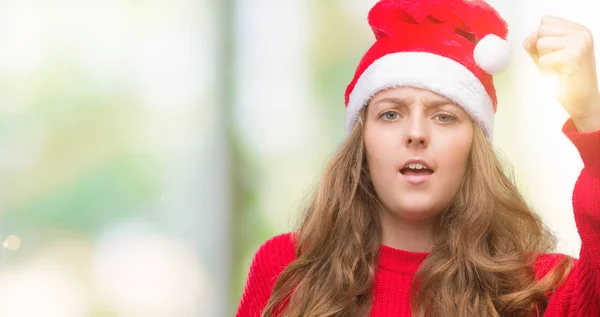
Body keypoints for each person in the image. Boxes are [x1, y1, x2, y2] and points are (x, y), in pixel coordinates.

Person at [235, 0, 600, 316]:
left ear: (475, 148)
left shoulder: (536, 289)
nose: (416, 133)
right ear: (361, 143)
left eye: (444, 116)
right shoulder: (286, 268)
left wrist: (591, 115)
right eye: (390, 114)